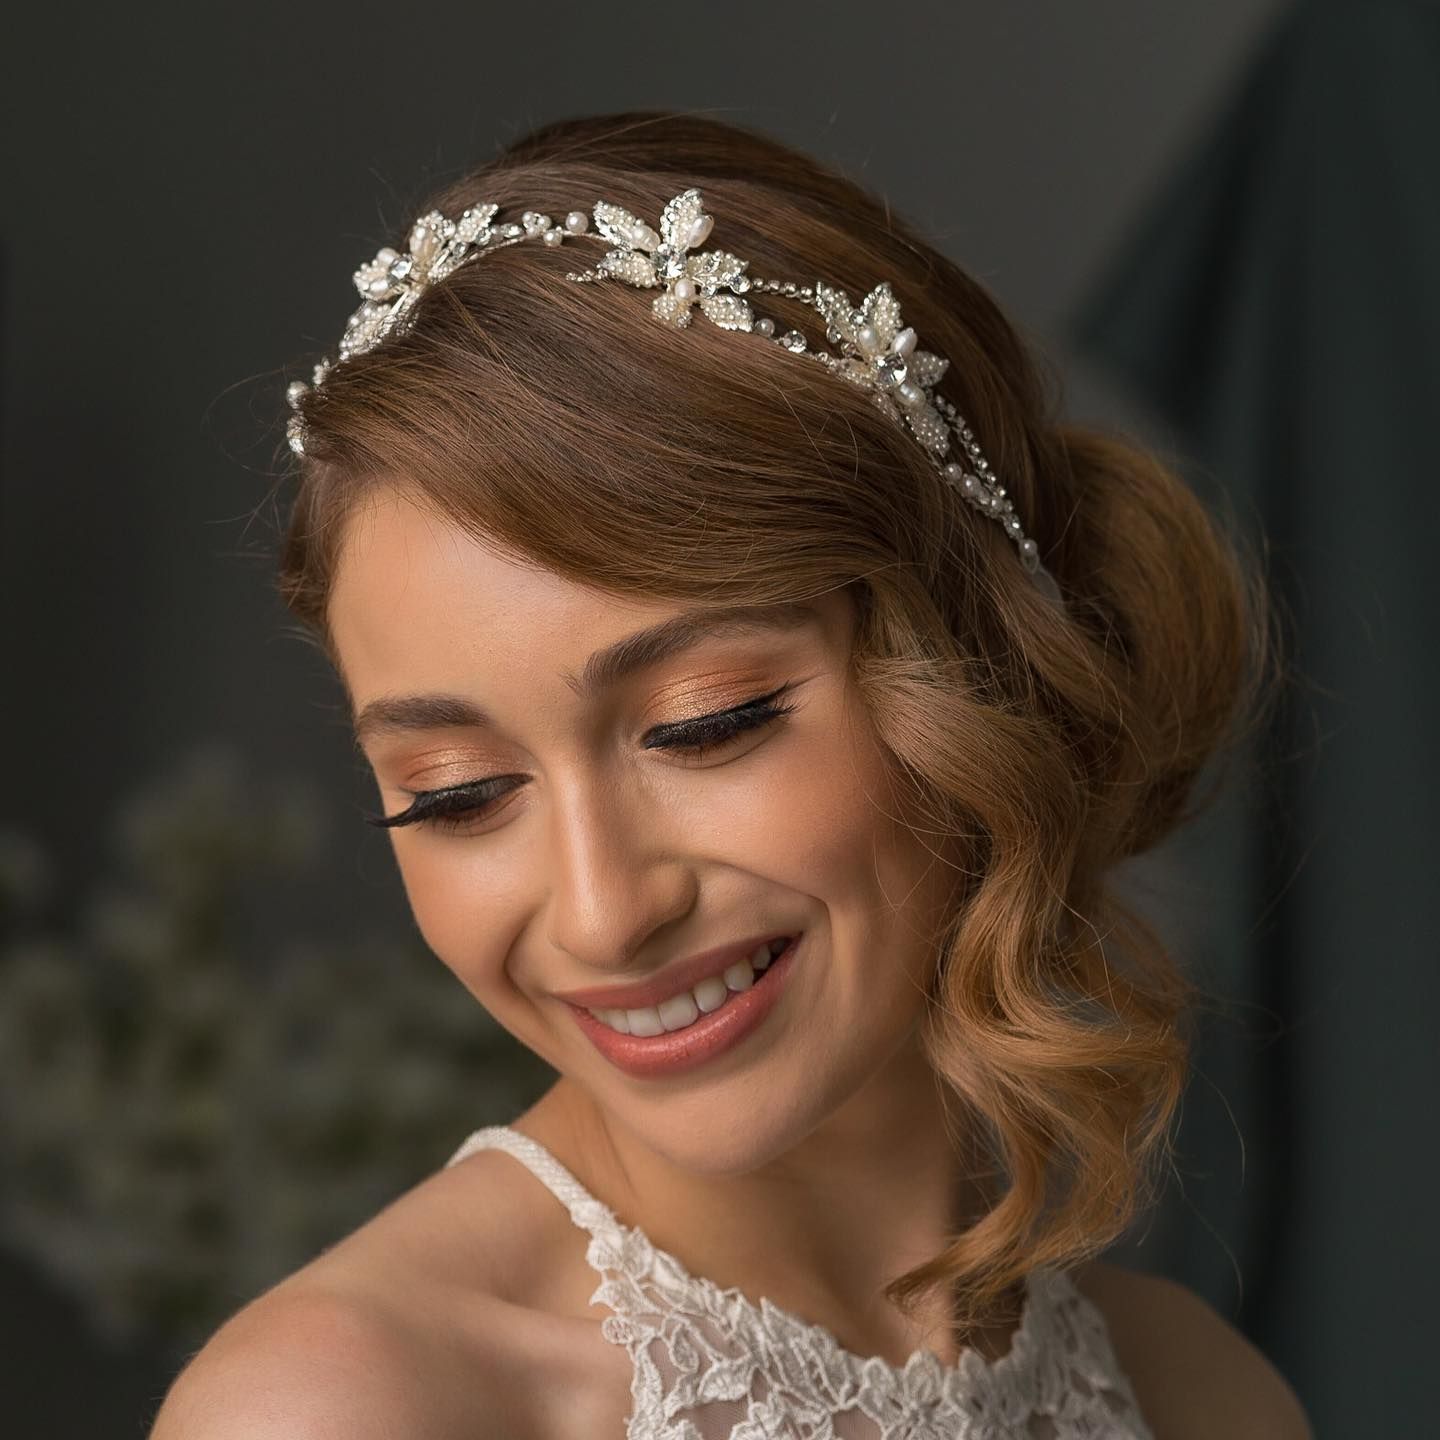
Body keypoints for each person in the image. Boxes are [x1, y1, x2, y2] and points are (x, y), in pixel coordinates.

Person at [149, 110, 1312, 1439]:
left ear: (981, 667)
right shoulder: (344, 1410)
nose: (603, 914)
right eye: (459, 792)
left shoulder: (1200, 1397)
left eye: (705, 724)